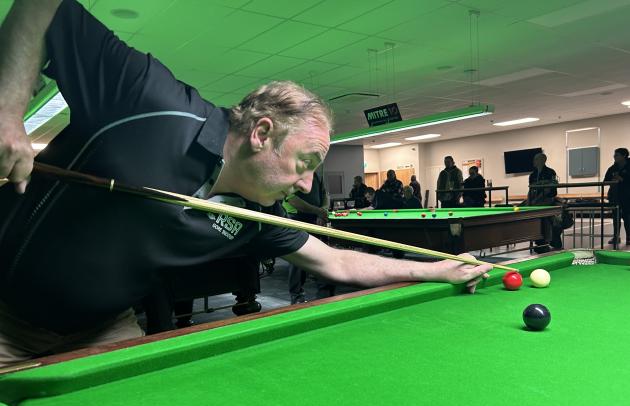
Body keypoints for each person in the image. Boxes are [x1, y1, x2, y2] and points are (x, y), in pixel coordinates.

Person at [0, 0, 491, 366]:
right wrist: (7, 113)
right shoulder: (150, 100)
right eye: (305, 162)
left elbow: (337, 259)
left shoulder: (256, 215)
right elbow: (48, 8)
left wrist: (436, 269)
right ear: (261, 134)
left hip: (103, 327)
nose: (305, 186)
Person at [283, 170, 335, 303]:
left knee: (320, 254)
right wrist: (318, 211)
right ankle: (296, 296)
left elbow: (325, 194)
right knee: (298, 257)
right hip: (296, 218)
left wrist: (322, 211)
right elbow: (293, 200)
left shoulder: (316, 174)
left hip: (314, 219)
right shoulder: (290, 172)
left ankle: (325, 293)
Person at [524, 153, 562, 253]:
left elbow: (551, 189)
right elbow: (531, 189)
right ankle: (540, 242)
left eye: (536, 159)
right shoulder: (532, 175)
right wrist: (529, 202)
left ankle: (544, 242)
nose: (534, 162)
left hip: (548, 200)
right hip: (535, 201)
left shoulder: (550, 172)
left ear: (543, 160)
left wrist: (542, 193)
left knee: (545, 216)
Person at [604, 148, 630, 245]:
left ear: (624, 156)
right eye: (614, 155)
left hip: (627, 196)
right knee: (616, 217)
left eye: (617, 155)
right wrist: (612, 179)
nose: (614, 157)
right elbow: (605, 181)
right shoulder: (612, 168)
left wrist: (622, 179)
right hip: (615, 196)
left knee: (627, 217)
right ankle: (616, 236)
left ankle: (629, 237)